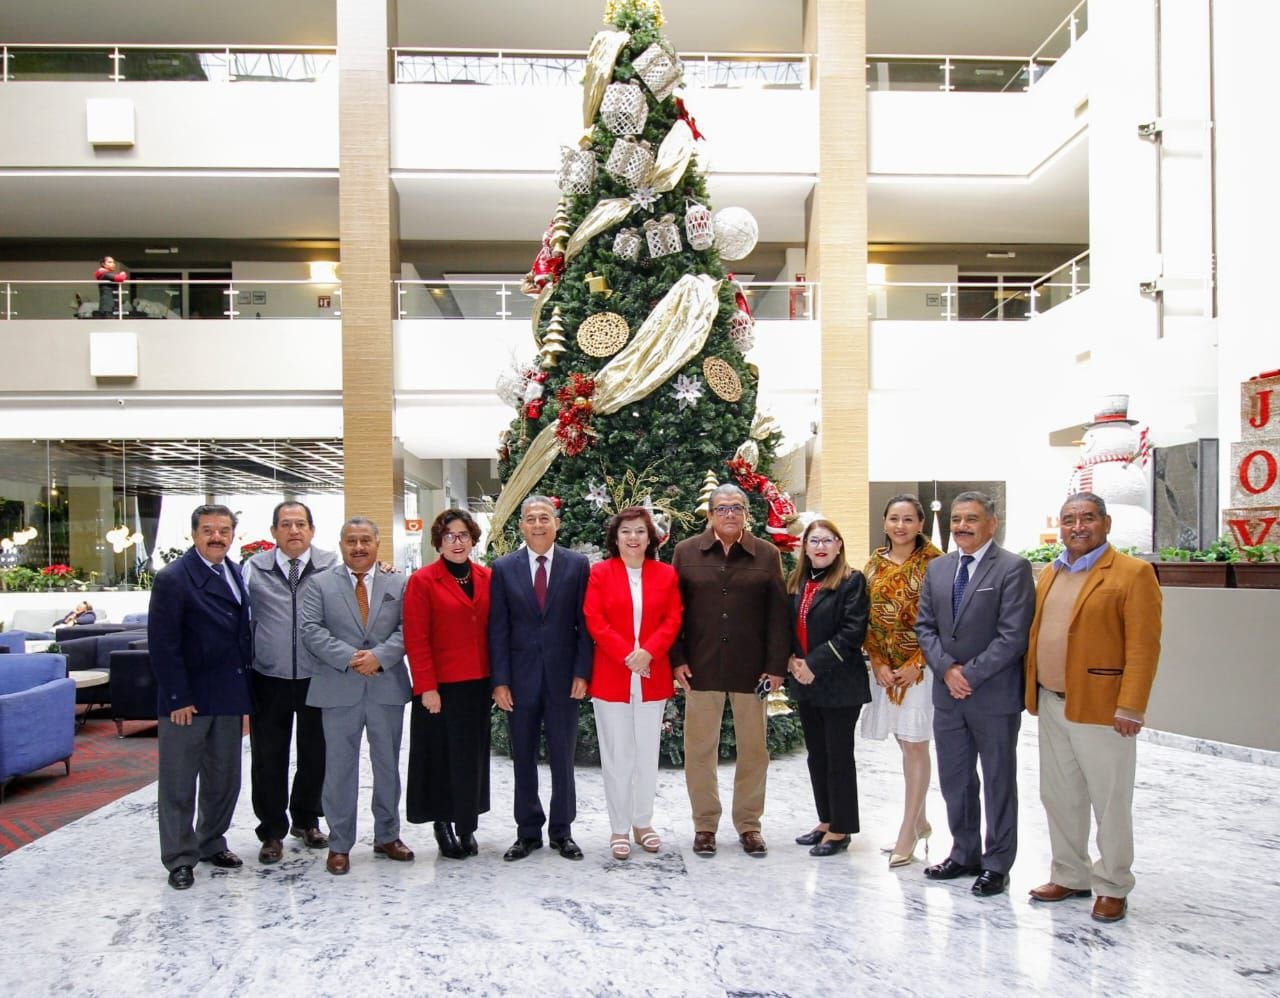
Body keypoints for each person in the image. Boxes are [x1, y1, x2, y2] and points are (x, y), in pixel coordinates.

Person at [1024, 492, 1161, 923]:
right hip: (1052, 702)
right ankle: (1070, 874)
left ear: (1106, 523)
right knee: (1059, 795)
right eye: (1069, 519)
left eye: (1087, 518)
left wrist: (1131, 706)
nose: (1077, 526)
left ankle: (1113, 885)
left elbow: (1143, 647)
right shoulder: (1051, 572)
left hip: (1103, 708)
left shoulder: (1133, 573)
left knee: (1110, 800)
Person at [916, 490, 1034, 897]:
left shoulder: (1013, 568)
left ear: (992, 524)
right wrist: (947, 670)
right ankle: (964, 853)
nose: (962, 526)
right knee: (955, 779)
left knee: (998, 780)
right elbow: (925, 627)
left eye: (971, 519)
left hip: (993, 697)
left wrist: (969, 674)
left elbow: (1013, 635)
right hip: (948, 696)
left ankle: (997, 863)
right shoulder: (938, 568)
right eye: (956, 519)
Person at [670, 483, 789, 858]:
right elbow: (673, 612)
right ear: (709, 515)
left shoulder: (766, 554)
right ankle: (705, 825)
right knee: (699, 751)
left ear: (746, 514)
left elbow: (778, 616)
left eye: (737, 507)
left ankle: (749, 825)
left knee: (754, 750)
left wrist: (775, 666)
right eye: (722, 508)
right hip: (701, 667)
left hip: (751, 671)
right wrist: (677, 659)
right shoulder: (686, 552)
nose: (730, 514)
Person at [147, 504, 253, 891]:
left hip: (227, 695)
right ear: (194, 534)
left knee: (224, 779)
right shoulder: (174, 578)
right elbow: (163, 644)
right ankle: (179, 857)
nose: (216, 537)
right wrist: (177, 696)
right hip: (187, 700)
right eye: (208, 530)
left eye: (224, 530)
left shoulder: (235, 571)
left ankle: (211, 841)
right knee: (179, 783)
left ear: (232, 535)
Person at [300, 517, 413, 875]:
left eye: (366, 540)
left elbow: (408, 627)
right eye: (352, 541)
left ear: (378, 544)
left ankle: (387, 836)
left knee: (387, 767)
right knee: (339, 770)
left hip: (386, 687)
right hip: (338, 688)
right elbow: (311, 630)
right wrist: (352, 658)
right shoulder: (320, 584)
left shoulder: (399, 582)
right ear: (341, 545)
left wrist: (380, 656)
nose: (359, 547)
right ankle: (339, 843)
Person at [488, 494, 593, 862]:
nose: (537, 524)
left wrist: (582, 672)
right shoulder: (504, 568)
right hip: (519, 680)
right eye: (530, 518)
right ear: (521, 525)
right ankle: (528, 832)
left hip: (564, 679)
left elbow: (585, 625)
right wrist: (500, 681)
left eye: (544, 517)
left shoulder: (577, 565)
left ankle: (562, 832)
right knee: (523, 757)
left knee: (564, 757)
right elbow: (498, 629)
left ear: (556, 524)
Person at [583, 507, 683, 860]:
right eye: (626, 531)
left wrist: (649, 652)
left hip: (652, 676)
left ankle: (643, 823)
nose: (633, 537)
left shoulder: (665, 574)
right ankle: (619, 827)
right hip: (612, 674)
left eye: (640, 531)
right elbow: (594, 618)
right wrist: (629, 655)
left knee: (646, 754)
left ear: (650, 537)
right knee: (617, 755)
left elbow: (673, 618)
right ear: (615, 537)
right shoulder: (600, 573)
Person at [242, 501, 336, 864]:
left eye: (300, 524)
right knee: (269, 756)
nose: (293, 530)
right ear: (273, 532)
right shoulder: (254, 568)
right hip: (269, 676)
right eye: (285, 524)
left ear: (312, 530)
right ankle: (271, 830)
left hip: (318, 675)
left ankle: (307, 820)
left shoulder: (330, 565)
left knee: (316, 753)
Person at [403, 509, 493, 861]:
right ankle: (442, 823)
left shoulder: (486, 577)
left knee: (472, 758)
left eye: (463, 535)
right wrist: (427, 687)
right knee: (441, 758)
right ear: (438, 542)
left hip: (478, 684)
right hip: (439, 688)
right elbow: (416, 638)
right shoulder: (423, 581)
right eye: (449, 536)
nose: (457, 542)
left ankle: (467, 824)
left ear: (473, 539)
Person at [861, 495, 943, 868]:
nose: (900, 526)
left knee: (915, 745)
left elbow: (946, 620)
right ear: (884, 522)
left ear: (920, 524)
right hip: (885, 671)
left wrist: (918, 662)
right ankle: (921, 821)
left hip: (920, 670)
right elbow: (865, 619)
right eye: (894, 518)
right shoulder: (874, 565)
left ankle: (908, 830)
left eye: (908, 519)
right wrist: (877, 661)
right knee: (903, 742)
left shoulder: (937, 563)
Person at [785, 518, 870, 857]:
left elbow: (852, 632)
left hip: (839, 684)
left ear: (838, 545)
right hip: (805, 683)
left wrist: (812, 665)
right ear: (804, 547)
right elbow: (788, 627)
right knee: (817, 756)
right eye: (814, 541)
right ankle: (825, 820)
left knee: (838, 757)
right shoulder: (797, 582)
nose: (820, 547)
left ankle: (841, 828)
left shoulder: (852, 581)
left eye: (827, 540)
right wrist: (792, 661)